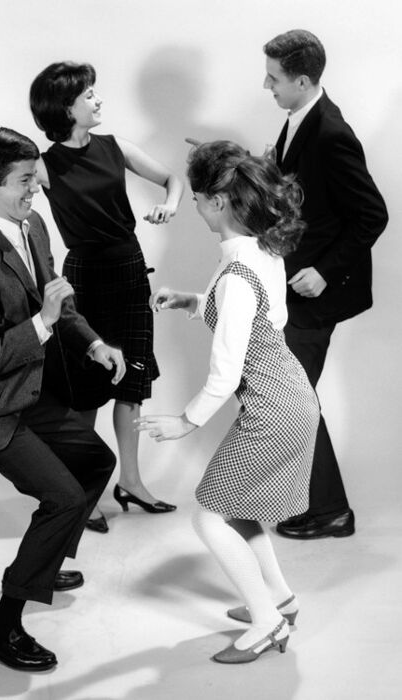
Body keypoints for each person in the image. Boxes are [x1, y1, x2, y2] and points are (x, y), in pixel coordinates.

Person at [0, 61, 183, 532]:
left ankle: (133, 481)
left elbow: (171, 179)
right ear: (65, 107)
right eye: (88, 95)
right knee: (83, 390)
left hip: (128, 270)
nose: (98, 100)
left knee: (132, 382)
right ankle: (86, 490)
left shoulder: (113, 146)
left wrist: (170, 204)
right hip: (81, 276)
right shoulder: (43, 164)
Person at [0, 126, 126, 671]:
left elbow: (54, 299)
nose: (35, 190)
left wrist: (92, 342)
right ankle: (2, 629)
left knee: (97, 461)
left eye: (34, 178)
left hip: (29, 391)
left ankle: (46, 559)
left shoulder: (32, 225)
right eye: (24, 181)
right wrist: (42, 322)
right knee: (64, 498)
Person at [137, 140, 319, 663]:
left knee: (209, 518)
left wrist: (184, 423)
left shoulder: (239, 271)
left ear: (218, 200)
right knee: (235, 509)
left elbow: (226, 373)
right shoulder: (258, 250)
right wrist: (194, 301)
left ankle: (265, 624)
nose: (193, 206)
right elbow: (264, 319)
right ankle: (281, 601)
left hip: (271, 408)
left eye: (197, 197)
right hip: (290, 395)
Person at [262, 30, 388, 539]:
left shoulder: (332, 132)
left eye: (273, 78)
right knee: (293, 394)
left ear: (303, 79)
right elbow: (302, 187)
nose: (265, 85)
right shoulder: (299, 119)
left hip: (317, 289)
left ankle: (331, 510)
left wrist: (326, 271)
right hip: (296, 282)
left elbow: (372, 215)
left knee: (292, 396)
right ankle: (322, 504)